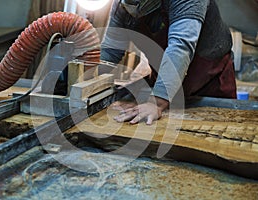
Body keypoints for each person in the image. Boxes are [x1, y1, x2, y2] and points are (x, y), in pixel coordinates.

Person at [100, 0, 237, 125]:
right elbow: (110, 52)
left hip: (209, 85)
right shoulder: (123, 6)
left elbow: (180, 47)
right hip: (163, 83)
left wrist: (157, 103)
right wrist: (90, 83)